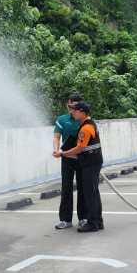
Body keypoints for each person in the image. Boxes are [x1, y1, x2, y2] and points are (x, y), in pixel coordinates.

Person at [59, 101, 104, 232]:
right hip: (92, 162)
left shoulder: (86, 128)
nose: (72, 112)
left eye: (75, 110)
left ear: (82, 112)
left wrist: (63, 153)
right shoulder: (89, 125)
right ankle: (98, 221)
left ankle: (92, 223)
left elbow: (80, 148)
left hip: (90, 164)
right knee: (94, 193)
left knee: (90, 194)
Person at [53, 93, 85, 229]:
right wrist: (56, 149)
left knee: (83, 188)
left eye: (74, 107)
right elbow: (56, 137)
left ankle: (84, 218)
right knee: (66, 188)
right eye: (70, 105)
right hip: (66, 158)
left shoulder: (85, 120)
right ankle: (65, 220)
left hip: (82, 159)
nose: (71, 109)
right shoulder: (62, 119)